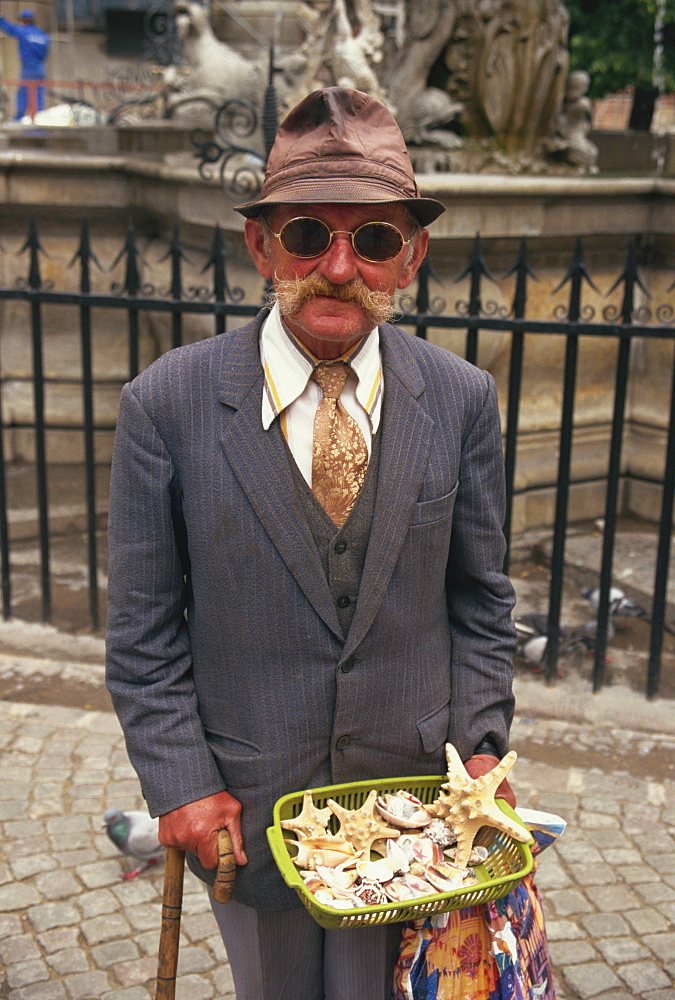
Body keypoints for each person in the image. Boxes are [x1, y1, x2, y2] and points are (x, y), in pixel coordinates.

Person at [106, 86, 518, 1000]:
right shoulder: (165, 405)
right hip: (246, 810)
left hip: (416, 812)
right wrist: (179, 782)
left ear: (408, 257)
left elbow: (481, 601)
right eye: (306, 235)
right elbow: (142, 634)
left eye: (373, 239)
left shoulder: (459, 401)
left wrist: (481, 751)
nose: (339, 265)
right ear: (260, 245)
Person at [0, 8, 49, 120]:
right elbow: (45, 53)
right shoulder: (43, 35)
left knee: (23, 93)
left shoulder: (24, 31)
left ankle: (19, 118)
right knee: (38, 94)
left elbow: (9, 28)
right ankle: (38, 119)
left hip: (28, 68)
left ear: (24, 21)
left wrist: (1, 18)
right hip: (40, 68)